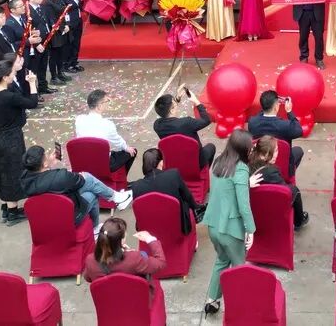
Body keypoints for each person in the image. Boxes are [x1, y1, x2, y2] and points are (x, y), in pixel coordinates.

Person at [203, 129, 260, 315]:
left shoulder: (219, 162)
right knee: (239, 268)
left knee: (221, 261)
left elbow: (225, 189)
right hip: (230, 229)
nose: (252, 150)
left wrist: (246, 183)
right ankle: (240, 307)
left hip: (213, 225)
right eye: (250, 147)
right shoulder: (241, 169)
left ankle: (212, 300)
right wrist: (251, 230)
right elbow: (244, 206)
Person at [21, 145, 133, 235]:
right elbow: (80, 181)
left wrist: (50, 167)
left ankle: (116, 198)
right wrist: (68, 174)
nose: (48, 155)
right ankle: (113, 202)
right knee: (89, 184)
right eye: (46, 156)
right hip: (68, 216)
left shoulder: (24, 179)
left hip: (48, 216)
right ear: (44, 163)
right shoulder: (61, 177)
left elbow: (47, 179)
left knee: (88, 184)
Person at [0, 58, 38, 224]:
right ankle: (12, 211)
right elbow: (32, 102)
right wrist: (32, 83)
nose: (13, 76)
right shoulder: (9, 97)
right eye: (11, 74)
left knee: (3, 171)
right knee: (14, 173)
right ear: (4, 77)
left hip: (0, 136)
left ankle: (6, 207)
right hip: (12, 139)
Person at [129, 148, 200, 232]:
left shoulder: (136, 186)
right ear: (161, 162)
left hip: (150, 228)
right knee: (183, 199)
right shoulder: (173, 174)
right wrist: (196, 207)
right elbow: (187, 196)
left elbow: (139, 212)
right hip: (177, 225)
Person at [83, 217, 166, 284]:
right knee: (143, 254)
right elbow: (160, 263)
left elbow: (88, 278)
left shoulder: (90, 260)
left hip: (108, 298)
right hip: (136, 296)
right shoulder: (135, 259)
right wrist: (150, 239)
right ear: (121, 240)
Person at [250, 135, 309, 229]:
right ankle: (299, 221)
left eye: (277, 150)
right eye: (273, 152)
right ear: (262, 155)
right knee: (295, 191)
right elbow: (284, 191)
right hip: (268, 203)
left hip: (253, 202)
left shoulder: (249, 160)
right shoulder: (271, 172)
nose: (276, 155)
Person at [75, 89, 138, 174]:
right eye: (106, 101)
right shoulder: (108, 124)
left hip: (84, 160)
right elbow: (118, 142)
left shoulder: (79, 120)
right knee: (132, 151)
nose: (108, 103)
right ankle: (121, 177)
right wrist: (126, 147)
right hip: (103, 163)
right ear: (99, 106)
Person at [153, 86, 216, 168]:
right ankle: (202, 170)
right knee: (211, 147)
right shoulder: (186, 123)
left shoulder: (157, 125)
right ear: (172, 110)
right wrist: (196, 102)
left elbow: (169, 109)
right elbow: (206, 120)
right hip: (195, 160)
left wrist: (177, 99)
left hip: (176, 159)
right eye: (174, 103)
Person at [248, 90, 304, 176]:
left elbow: (259, 116)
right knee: (299, 151)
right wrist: (289, 111)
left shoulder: (252, 122)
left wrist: (267, 104)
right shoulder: (286, 126)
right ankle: (288, 176)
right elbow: (299, 131)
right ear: (275, 107)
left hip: (260, 163)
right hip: (281, 162)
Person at [43, 0, 73, 84]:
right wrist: (61, 28)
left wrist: (67, 25)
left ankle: (60, 72)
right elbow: (51, 19)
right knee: (54, 55)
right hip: (55, 32)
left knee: (61, 53)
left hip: (63, 29)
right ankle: (54, 76)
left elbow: (66, 13)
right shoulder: (48, 3)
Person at [25, 0, 54, 94]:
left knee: (43, 65)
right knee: (34, 67)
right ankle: (34, 90)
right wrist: (37, 44)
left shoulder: (41, 7)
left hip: (45, 39)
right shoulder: (27, 11)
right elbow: (28, 30)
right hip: (35, 43)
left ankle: (43, 86)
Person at [60, 0, 84, 72]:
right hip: (69, 23)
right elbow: (63, 12)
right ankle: (66, 65)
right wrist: (66, 24)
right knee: (69, 43)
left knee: (76, 42)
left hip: (78, 20)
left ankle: (74, 62)